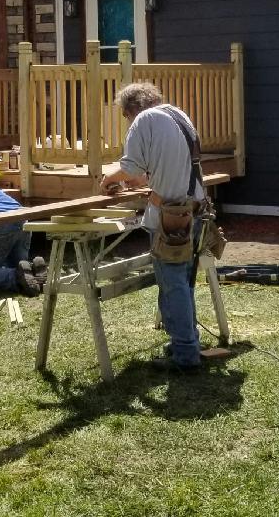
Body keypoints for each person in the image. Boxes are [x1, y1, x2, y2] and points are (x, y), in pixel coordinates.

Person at [98, 82, 207, 371]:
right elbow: (161, 167)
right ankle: (186, 341)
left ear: (130, 110)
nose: (127, 121)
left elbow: (131, 169)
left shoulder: (144, 120)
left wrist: (109, 179)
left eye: (125, 116)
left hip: (171, 218)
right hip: (194, 209)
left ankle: (186, 355)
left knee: (173, 285)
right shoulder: (177, 114)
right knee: (183, 282)